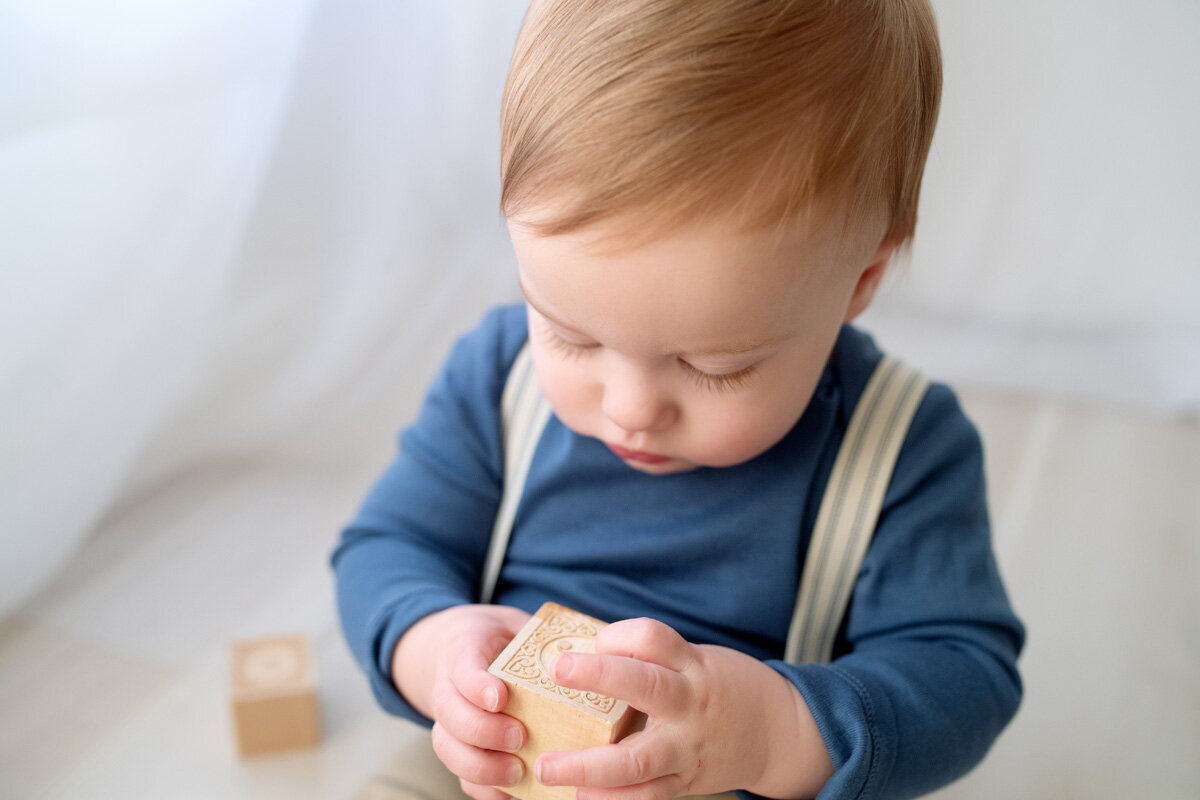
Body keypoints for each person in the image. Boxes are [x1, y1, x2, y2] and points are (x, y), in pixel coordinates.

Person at [332, 1, 1024, 798]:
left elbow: (963, 675)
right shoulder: (498, 378)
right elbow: (386, 548)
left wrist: (778, 732)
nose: (630, 409)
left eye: (713, 366)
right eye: (570, 334)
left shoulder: (901, 447)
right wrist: (433, 646)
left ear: (860, 279)